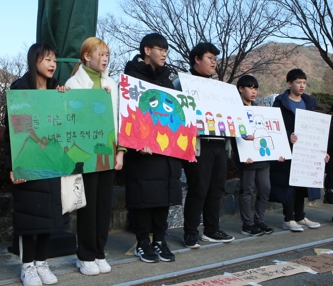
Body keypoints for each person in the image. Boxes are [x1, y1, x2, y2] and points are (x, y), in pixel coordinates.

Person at [4, 43, 68, 286]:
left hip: (52, 162)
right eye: (47, 59)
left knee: (49, 216)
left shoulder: (57, 91)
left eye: (54, 59)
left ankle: (42, 262)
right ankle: (27, 266)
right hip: (28, 161)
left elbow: (67, 126)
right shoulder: (19, 91)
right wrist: (13, 166)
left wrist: (64, 100)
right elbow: (11, 133)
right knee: (28, 217)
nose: (53, 64)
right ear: (34, 62)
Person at [64, 37, 124, 275]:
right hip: (85, 154)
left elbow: (119, 120)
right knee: (88, 206)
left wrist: (121, 151)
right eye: (101, 54)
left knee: (104, 204)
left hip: (107, 152)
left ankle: (100, 251)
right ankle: (85, 255)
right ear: (87, 56)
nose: (105, 58)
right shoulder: (74, 83)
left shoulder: (112, 83)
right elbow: (70, 119)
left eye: (107, 54)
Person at [124, 33, 182, 263]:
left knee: (163, 200)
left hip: (167, 152)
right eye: (160, 48)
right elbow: (127, 116)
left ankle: (159, 240)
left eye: (166, 49)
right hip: (142, 152)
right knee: (143, 199)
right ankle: (142, 243)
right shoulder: (131, 77)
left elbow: (177, 114)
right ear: (147, 50)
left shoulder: (168, 78)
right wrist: (137, 142)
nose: (165, 53)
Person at [173, 42, 235, 249]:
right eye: (210, 58)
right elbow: (174, 113)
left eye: (216, 59)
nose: (214, 63)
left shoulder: (220, 88)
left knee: (217, 189)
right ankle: (190, 232)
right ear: (196, 59)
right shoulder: (181, 83)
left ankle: (212, 229)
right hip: (198, 144)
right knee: (198, 188)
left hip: (219, 142)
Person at [270, 68, 327, 232]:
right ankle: (288, 219)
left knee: (303, 183)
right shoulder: (280, 103)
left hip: (305, 151)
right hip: (287, 151)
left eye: (304, 82)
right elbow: (274, 125)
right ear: (289, 83)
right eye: (298, 82)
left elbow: (317, 130)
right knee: (289, 185)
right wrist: (288, 135)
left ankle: (300, 216)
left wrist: (322, 150)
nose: (302, 86)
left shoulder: (309, 103)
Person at [232, 75, 277, 236]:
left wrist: (278, 151)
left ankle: (259, 220)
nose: (253, 92)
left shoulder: (260, 110)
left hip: (262, 157)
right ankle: (247, 224)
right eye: (250, 88)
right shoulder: (235, 109)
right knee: (247, 190)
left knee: (265, 189)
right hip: (247, 158)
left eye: (255, 88)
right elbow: (232, 133)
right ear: (240, 89)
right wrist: (243, 144)